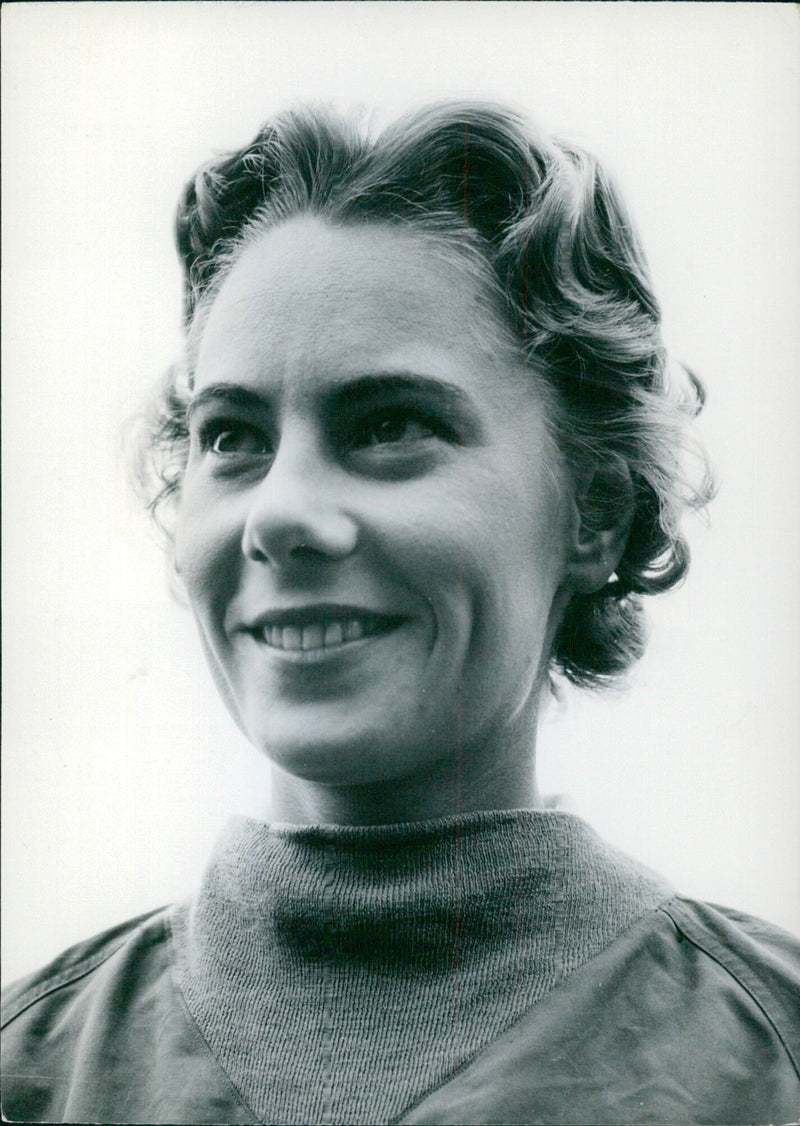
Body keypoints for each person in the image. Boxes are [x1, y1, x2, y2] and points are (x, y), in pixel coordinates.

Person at [2, 100, 798, 1126]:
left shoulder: (767, 1053)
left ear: (593, 511)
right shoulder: (32, 1067)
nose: (281, 512)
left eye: (388, 425)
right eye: (230, 437)